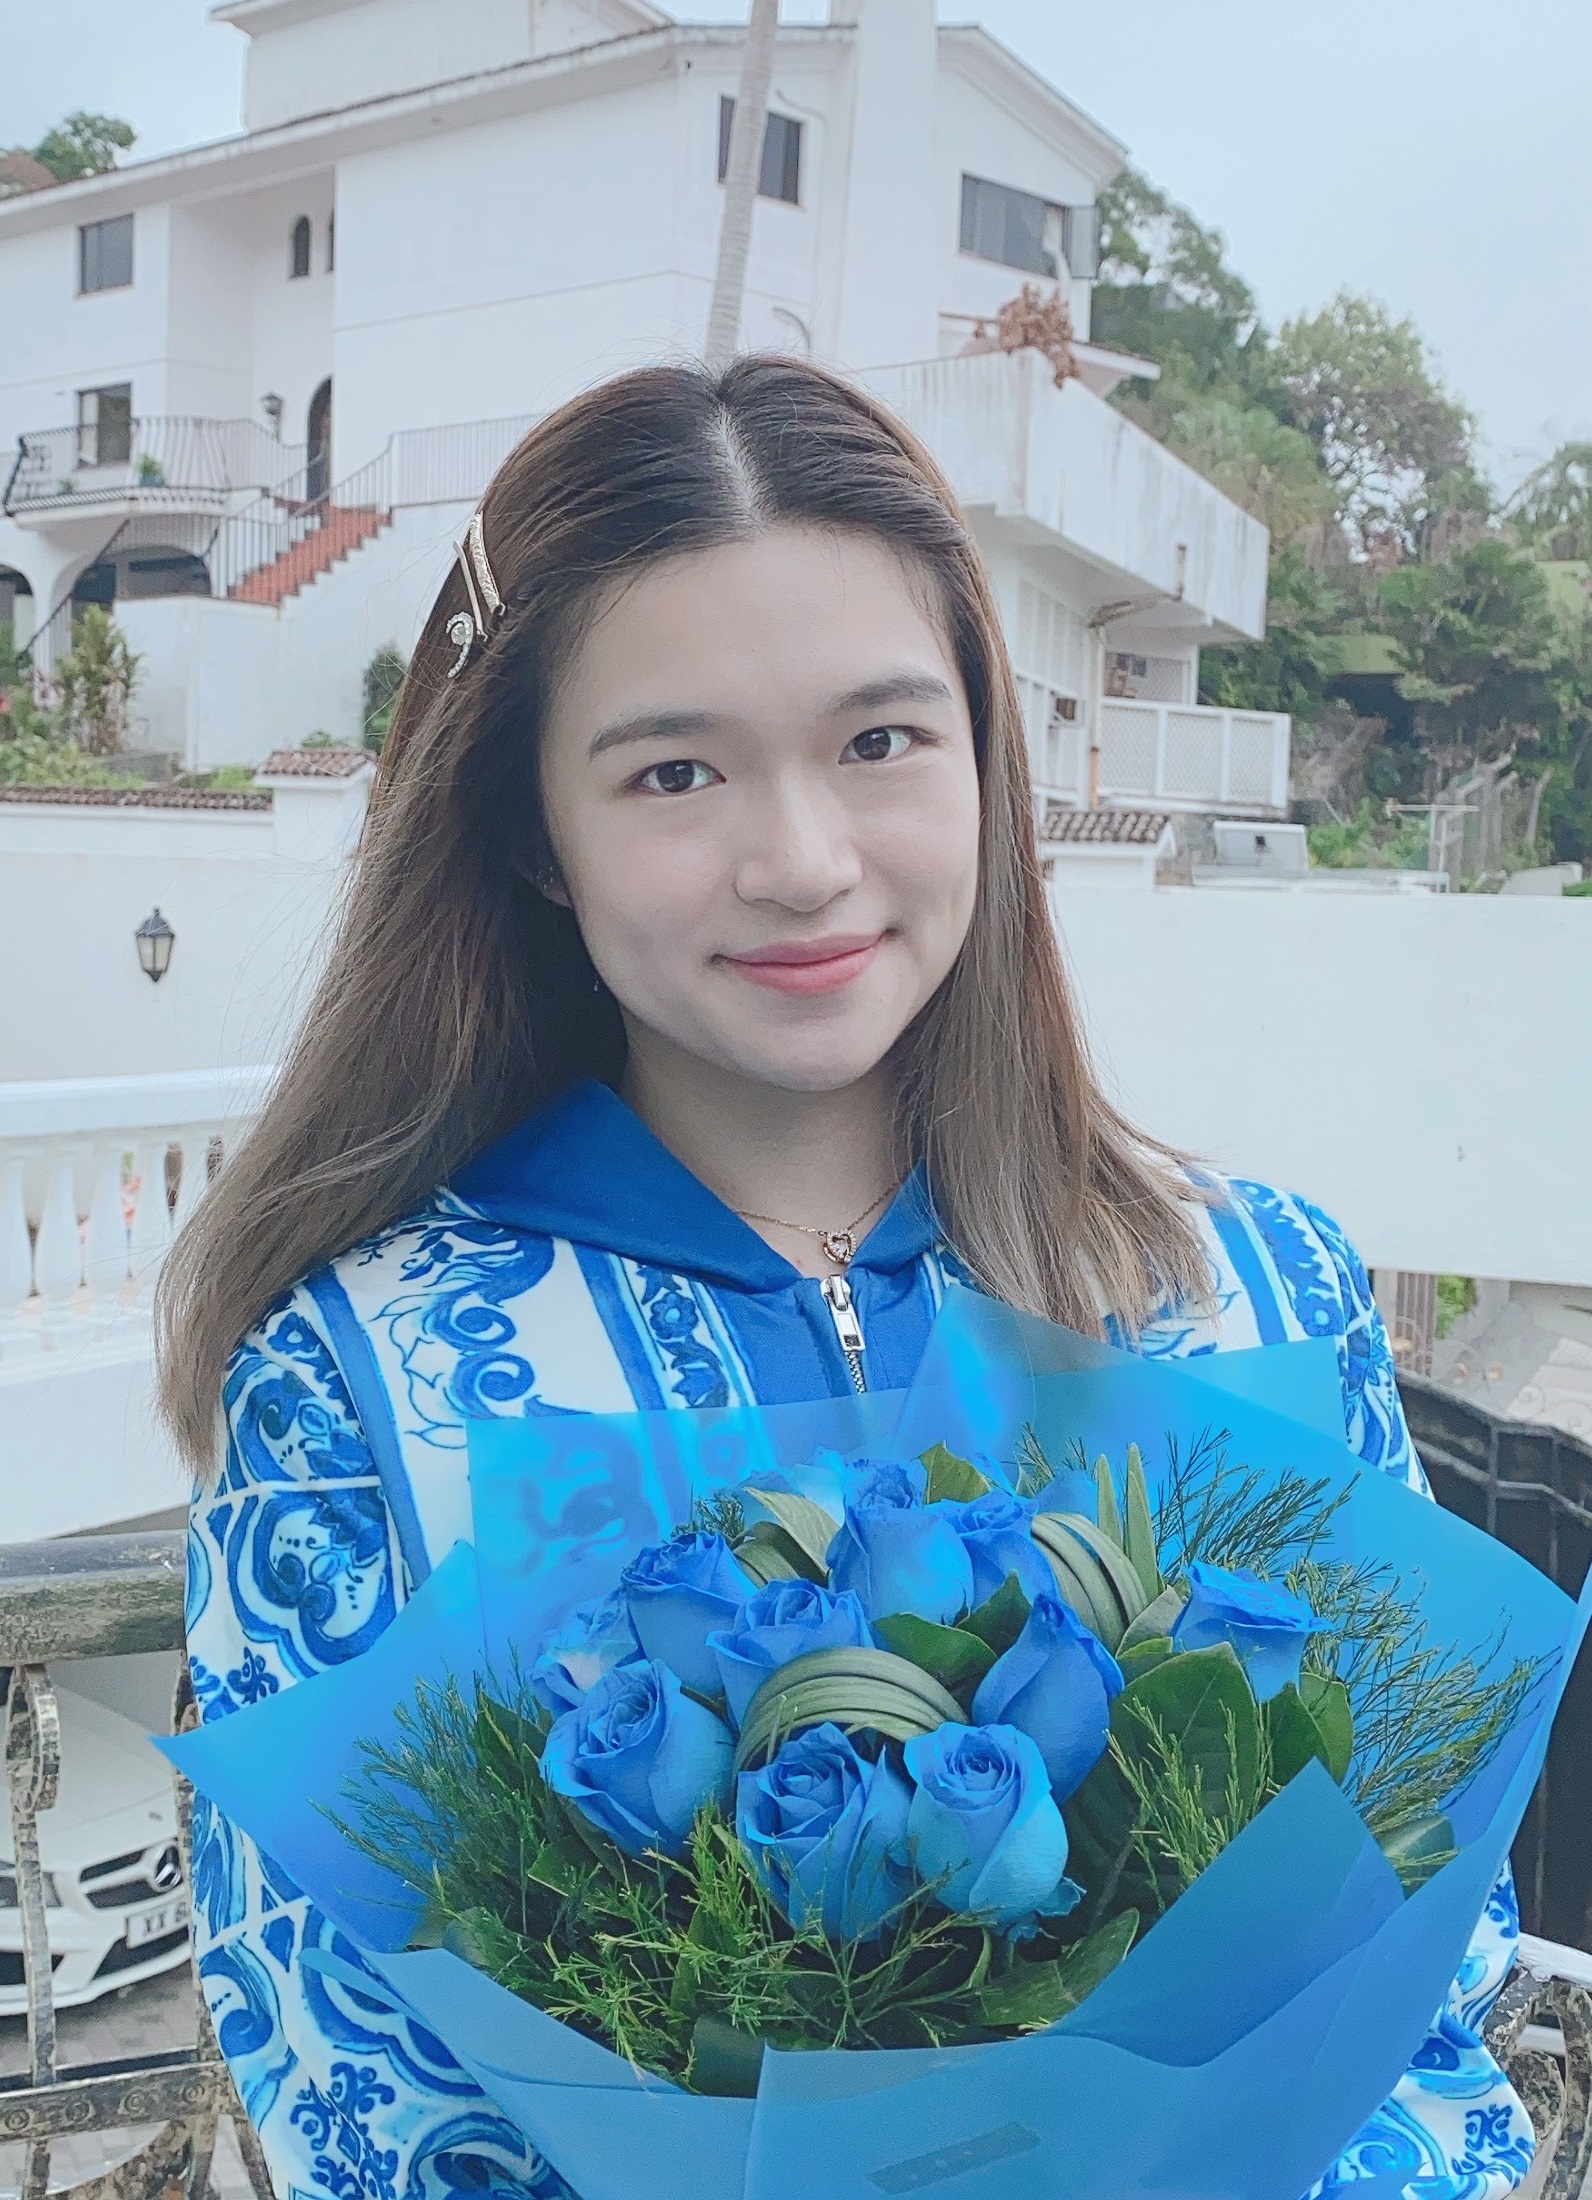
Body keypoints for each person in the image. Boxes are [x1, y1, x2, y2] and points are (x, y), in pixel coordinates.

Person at [158, 359, 1530, 2200]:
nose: (803, 864)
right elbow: (358, 2087)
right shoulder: (358, 1389)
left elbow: (1432, 1993)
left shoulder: (1259, 1289)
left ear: (986, 758)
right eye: (674, 771)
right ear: (531, 833)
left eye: (881, 741)